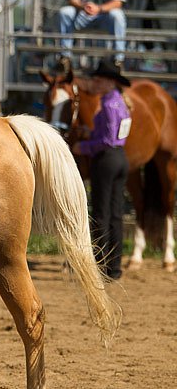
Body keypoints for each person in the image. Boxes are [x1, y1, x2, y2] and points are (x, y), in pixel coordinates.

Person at [71, 59, 131, 280]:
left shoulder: (106, 104)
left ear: (109, 82)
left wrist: (83, 146)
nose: (94, 83)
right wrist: (91, 132)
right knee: (116, 215)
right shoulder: (121, 103)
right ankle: (114, 268)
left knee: (101, 213)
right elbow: (114, 135)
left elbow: (106, 140)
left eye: (98, 80)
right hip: (120, 158)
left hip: (105, 160)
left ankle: (98, 265)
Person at [56, 0, 127, 71]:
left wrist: (99, 9)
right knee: (65, 12)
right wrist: (83, 6)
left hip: (105, 16)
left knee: (117, 15)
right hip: (83, 15)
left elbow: (118, 2)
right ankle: (65, 58)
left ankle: (118, 60)